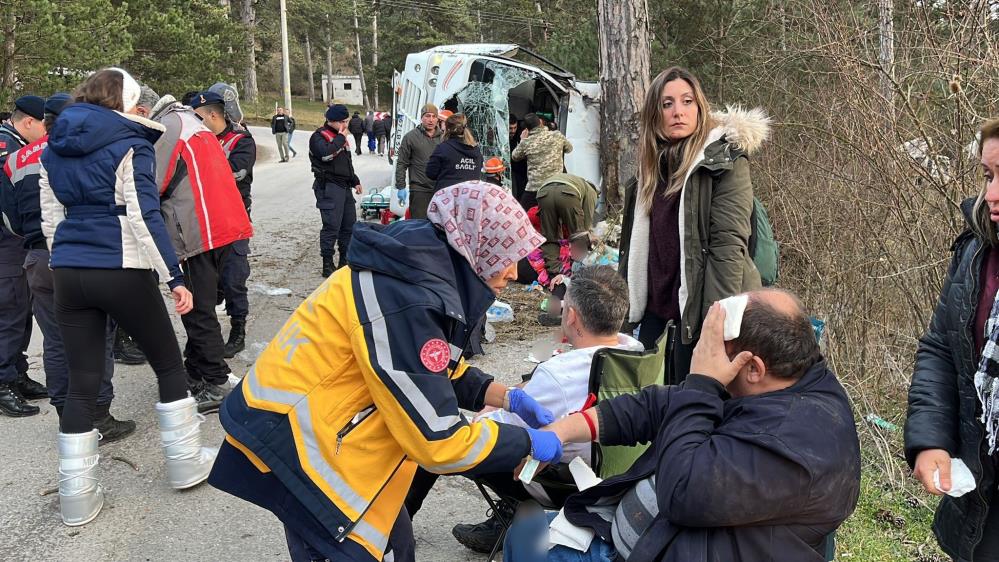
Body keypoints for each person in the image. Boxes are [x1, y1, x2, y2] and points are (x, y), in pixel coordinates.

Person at [208, 181, 561, 562]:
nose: (512, 272)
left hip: (324, 430)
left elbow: (429, 367)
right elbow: (438, 441)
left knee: (397, 543)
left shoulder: (417, 271)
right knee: (348, 549)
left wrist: (506, 396)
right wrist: (525, 443)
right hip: (295, 445)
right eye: (503, 255)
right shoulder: (406, 299)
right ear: (471, 245)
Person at [505, 289, 861, 562]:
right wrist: (565, 430)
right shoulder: (778, 382)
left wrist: (704, 383)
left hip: (663, 548)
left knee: (524, 542)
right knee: (526, 532)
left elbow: (683, 494)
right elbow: (659, 405)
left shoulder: (802, 441)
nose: (705, 358)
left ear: (753, 368)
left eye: (716, 351)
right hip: (643, 535)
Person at [39, 68, 217, 527]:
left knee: (81, 380)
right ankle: (184, 461)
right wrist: (174, 276)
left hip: (70, 270)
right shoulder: (131, 143)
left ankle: (76, 496)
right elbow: (142, 215)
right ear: (126, 101)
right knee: (168, 364)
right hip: (120, 266)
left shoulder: (53, 144)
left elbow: (51, 216)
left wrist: (64, 261)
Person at [445, 266, 643, 553]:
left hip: (560, 483)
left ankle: (510, 513)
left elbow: (490, 426)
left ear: (571, 315)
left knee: (445, 430)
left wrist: (492, 403)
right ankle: (509, 516)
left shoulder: (558, 375)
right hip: (619, 478)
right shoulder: (638, 352)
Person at [2, 92, 136, 440]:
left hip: (36, 258)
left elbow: (9, 218)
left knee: (57, 340)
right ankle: (99, 416)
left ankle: (68, 416)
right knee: (97, 336)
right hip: (81, 256)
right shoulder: (79, 151)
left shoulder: (15, 160)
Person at [619, 66, 767, 381]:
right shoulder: (648, 174)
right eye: (667, 103)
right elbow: (631, 250)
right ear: (654, 113)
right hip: (657, 315)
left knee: (698, 407)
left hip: (703, 313)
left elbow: (728, 248)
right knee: (656, 406)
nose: (678, 112)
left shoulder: (724, 165)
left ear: (700, 108)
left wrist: (717, 329)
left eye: (687, 101)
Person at [905, 118, 999, 560]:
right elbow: (942, 349)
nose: (991, 194)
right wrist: (931, 440)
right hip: (982, 501)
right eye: (988, 175)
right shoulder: (976, 251)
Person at [143, 88, 254, 413]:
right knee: (203, 304)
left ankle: (215, 380)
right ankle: (195, 370)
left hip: (195, 229)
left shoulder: (168, 128)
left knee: (197, 308)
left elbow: (153, 182)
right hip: (222, 224)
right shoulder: (192, 122)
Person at [190, 91, 256, 359]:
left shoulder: (241, 141)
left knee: (233, 280)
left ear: (213, 115)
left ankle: (237, 330)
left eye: (197, 118)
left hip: (233, 222)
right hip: (202, 221)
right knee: (204, 283)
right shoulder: (195, 140)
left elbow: (233, 174)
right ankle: (206, 335)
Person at [0, 95, 48, 417]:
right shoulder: (6, 147)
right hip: (7, 244)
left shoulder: (13, 142)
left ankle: (17, 373)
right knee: (11, 313)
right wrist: (22, 233)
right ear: (28, 121)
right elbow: (8, 207)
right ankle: (3, 383)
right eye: (45, 125)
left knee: (22, 311)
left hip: (14, 244)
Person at [535, 173, 598, 327]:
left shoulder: (574, 180)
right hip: (567, 194)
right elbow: (585, 230)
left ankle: (555, 274)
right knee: (579, 235)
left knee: (549, 237)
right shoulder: (590, 191)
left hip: (543, 192)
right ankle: (577, 274)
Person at [309, 104, 362, 277]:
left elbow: (346, 162)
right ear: (333, 121)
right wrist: (340, 137)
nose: (346, 125)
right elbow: (326, 154)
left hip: (344, 187)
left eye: (346, 121)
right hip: (329, 187)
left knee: (349, 226)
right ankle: (327, 263)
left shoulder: (340, 136)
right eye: (343, 122)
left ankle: (344, 262)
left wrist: (355, 180)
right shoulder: (318, 137)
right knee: (331, 227)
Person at [511, 113, 573, 210]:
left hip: (535, 188)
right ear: (540, 124)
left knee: (521, 213)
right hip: (557, 185)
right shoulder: (557, 135)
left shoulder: (526, 143)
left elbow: (514, 157)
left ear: (526, 129)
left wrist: (523, 139)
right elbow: (569, 149)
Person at [395, 104, 443, 219]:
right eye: (427, 116)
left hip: (440, 190)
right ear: (422, 118)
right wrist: (401, 186)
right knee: (419, 226)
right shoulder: (410, 137)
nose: (431, 120)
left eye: (434, 116)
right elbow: (402, 163)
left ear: (437, 119)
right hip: (419, 190)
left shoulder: (444, 138)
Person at [426, 113, 484, 191]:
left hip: (447, 198)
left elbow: (431, 173)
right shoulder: (476, 150)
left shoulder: (443, 148)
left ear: (447, 129)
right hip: (470, 197)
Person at [509, 115, 528, 203]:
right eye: (510, 128)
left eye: (514, 128)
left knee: (520, 193)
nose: (513, 131)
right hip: (508, 168)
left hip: (520, 170)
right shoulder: (502, 136)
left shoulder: (521, 136)